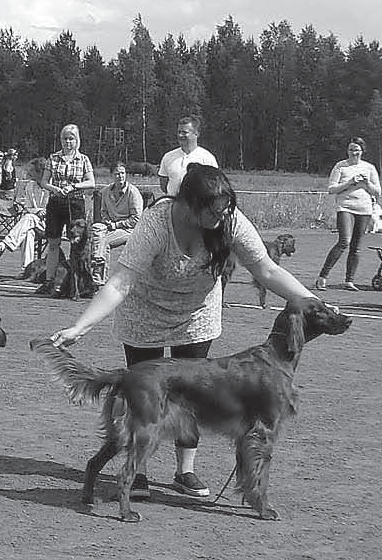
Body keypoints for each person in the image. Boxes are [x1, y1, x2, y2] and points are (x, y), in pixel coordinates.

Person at [50, 163, 316, 501]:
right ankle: (140, 473)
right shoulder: (156, 223)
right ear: (189, 205)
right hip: (144, 315)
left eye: (224, 211)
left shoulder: (229, 221)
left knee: (196, 396)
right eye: (213, 212)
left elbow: (266, 269)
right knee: (146, 400)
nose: (220, 218)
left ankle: (184, 470)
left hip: (196, 316)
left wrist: (311, 303)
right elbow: (120, 282)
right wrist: (80, 326)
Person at [35, 124, 96, 296]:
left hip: (75, 203)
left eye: (71, 139)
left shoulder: (84, 159)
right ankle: (49, 281)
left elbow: (91, 182)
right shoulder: (53, 158)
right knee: (53, 243)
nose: (68, 142)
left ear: (77, 141)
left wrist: (74, 186)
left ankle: (80, 284)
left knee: (77, 246)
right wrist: (55, 189)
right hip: (56, 203)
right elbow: (44, 182)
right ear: (61, 140)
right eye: (65, 139)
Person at [314, 136, 382, 291]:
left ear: (362, 151)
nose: (353, 153)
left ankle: (349, 280)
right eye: (351, 149)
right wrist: (350, 182)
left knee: (356, 246)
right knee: (344, 241)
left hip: (364, 209)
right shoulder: (341, 166)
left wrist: (366, 183)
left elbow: (377, 191)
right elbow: (331, 189)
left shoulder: (369, 168)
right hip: (345, 207)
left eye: (356, 150)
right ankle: (323, 276)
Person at [89, 162, 145, 285]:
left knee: (104, 241)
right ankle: (96, 267)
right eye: (117, 174)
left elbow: (136, 219)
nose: (120, 176)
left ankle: (98, 276)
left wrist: (117, 225)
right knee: (96, 229)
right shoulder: (106, 191)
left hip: (128, 229)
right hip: (109, 226)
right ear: (112, 176)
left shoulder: (133, 192)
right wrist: (107, 222)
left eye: (122, 173)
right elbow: (103, 212)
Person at [158, 115, 218, 202]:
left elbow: (214, 187)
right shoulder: (168, 157)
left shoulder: (208, 159)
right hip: (172, 207)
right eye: (179, 132)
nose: (180, 135)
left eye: (184, 132)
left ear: (196, 133)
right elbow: (164, 186)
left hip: (198, 208)